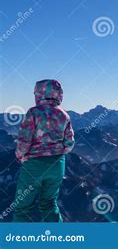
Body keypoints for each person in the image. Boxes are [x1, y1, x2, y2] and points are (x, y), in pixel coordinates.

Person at [12, 79, 75, 222]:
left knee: (23, 206)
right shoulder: (64, 115)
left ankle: (18, 239)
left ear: (39, 93)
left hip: (34, 164)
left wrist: (21, 156)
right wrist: (58, 152)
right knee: (49, 203)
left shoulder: (34, 112)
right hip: (58, 164)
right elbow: (70, 143)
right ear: (59, 94)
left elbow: (24, 140)